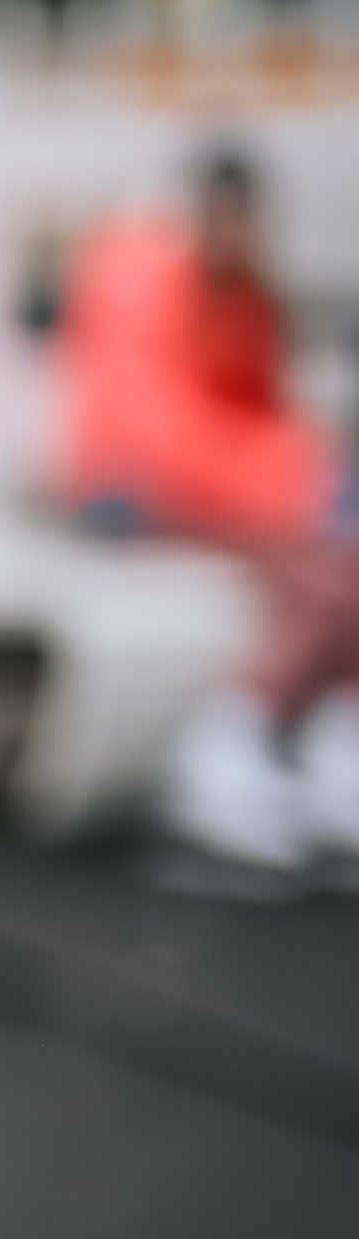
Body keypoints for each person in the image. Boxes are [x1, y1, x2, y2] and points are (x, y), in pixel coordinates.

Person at [56, 147, 359, 883]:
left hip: (211, 490)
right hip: (127, 491)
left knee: (339, 561)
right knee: (323, 572)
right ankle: (228, 743)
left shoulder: (246, 296)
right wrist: (298, 480)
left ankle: (322, 745)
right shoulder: (150, 281)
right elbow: (153, 434)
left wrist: (305, 479)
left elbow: (254, 414)